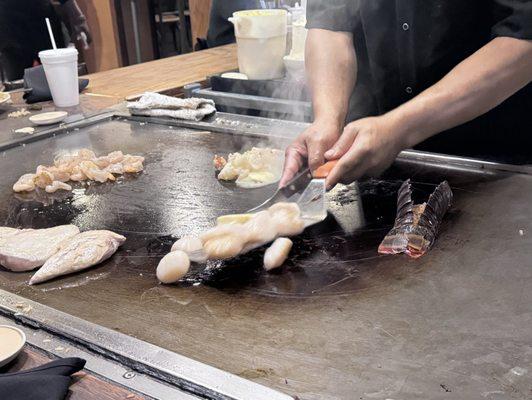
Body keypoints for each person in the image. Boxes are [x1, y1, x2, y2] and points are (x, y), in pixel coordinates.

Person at [280, 0, 532, 189]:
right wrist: (328, 118)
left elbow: (523, 39)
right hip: (374, 161)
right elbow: (330, 23)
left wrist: (400, 127)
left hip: (488, 164)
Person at [0, 0, 91, 81]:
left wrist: (78, 19)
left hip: (43, 25)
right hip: (10, 32)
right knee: (19, 87)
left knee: (59, 79)